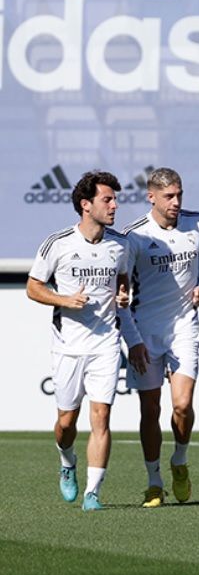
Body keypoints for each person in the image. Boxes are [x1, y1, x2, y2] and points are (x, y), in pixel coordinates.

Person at [27, 171, 132, 511]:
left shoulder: (121, 244)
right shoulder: (58, 243)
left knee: (100, 416)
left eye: (115, 198)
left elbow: (123, 279)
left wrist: (123, 293)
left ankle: (93, 493)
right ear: (86, 205)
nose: (115, 205)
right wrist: (64, 300)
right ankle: (67, 460)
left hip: (106, 343)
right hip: (69, 345)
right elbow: (34, 287)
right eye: (107, 199)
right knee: (66, 424)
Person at [118, 168, 199, 507]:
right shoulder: (134, 236)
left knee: (182, 405)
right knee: (150, 408)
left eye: (179, 195)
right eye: (169, 196)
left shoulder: (198, 223)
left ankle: (180, 459)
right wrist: (129, 328)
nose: (176, 202)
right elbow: (121, 282)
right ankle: (154, 480)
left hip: (185, 326)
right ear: (152, 197)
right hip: (145, 330)